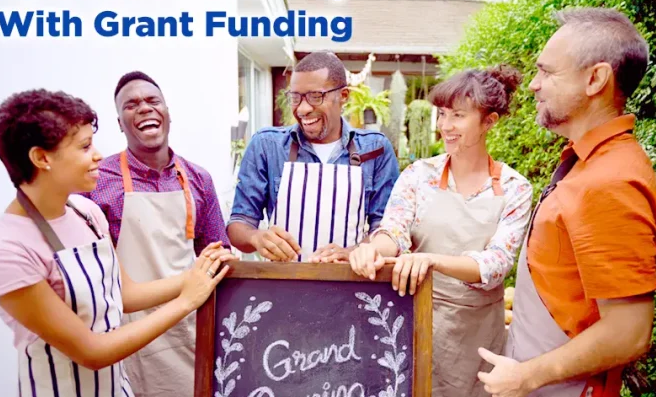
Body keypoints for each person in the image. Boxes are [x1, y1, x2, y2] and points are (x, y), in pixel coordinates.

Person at [0, 89, 234, 397]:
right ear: (41, 158)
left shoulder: (86, 214)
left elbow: (125, 293)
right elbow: (92, 352)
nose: (98, 155)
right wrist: (185, 301)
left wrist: (197, 277)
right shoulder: (6, 248)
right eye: (85, 147)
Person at [477, 8, 656, 397]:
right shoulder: (586, 162)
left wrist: (528, 376)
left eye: (547, 72)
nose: (532, 85)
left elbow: (629, 331)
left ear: (595, 79)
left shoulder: (609, 181)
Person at [348, 65, 534, 396]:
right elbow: (395, 231)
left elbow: (496, 264)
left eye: (458, 116)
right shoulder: (418, 175)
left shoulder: (514, 188)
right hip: (416, 321)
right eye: (442, 114)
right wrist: (373, 249)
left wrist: (432, 261)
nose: (444, 126)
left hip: (477, 338)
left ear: (489, 121)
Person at [83, 71, 231, 397]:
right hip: (127, 331)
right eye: (131, 105)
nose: (145, 108)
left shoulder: (198, 179)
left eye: (153, 101)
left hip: (189, 327)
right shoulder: (96, 183)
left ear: (167, 113)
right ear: (120, 123)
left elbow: (220, 254)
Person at [227, 51, 400, 262]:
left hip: (349, 283)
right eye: (295, 97)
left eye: (315, 96)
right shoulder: (266, 145)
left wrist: (351, 253)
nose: (303, 108)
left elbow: (385, 229)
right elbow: (238, 224)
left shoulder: (376, 148)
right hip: (282, 285)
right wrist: (256, 237)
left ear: (343, 96)